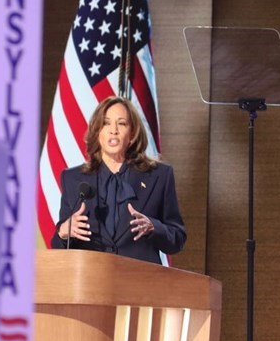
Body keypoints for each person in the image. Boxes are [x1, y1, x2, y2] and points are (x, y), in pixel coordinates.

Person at [51, 96, 186, 264]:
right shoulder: (74, 179)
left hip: (140, 282)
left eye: (121, 123)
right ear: (97, 131)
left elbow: (177, 239)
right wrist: (63, 232)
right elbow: (59, 247)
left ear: (132, 133)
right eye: (106, 123)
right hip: (92, 281)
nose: (113, 130)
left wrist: (153, 227)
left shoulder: (159, 176)